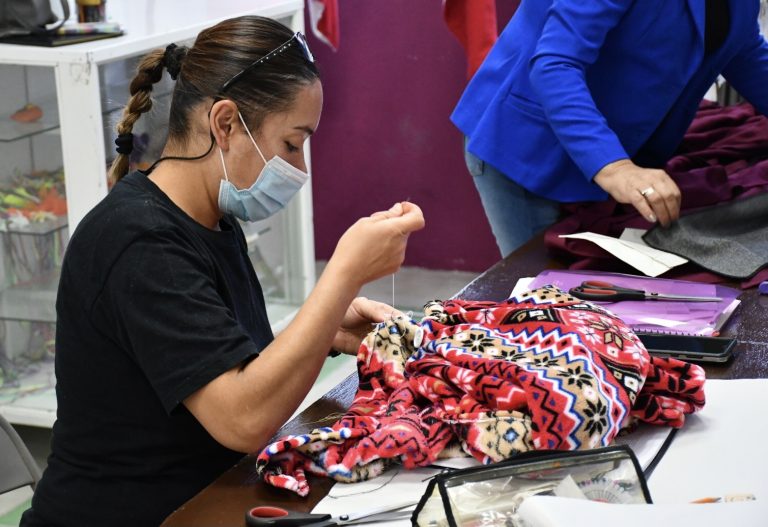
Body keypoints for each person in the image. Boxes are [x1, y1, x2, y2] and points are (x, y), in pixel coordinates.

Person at [21, 16, 424, 527]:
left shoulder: (210, 219)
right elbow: (243, 419)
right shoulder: (137, 241)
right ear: (227, 125)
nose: (298, 169)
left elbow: (213, 364)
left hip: (205, 498)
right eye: (292, 144)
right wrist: (342, 274)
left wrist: (325, 327)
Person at [452, 0, 768, 257]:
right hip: (533, 146)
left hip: (617, 147)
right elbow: (555, 65)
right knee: (548, 302)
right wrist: (614, 166)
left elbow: (744, 50)